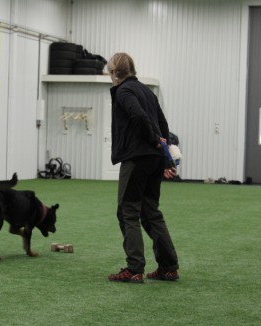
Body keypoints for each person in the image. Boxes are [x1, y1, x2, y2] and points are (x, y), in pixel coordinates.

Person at [106, 53, 179, 283]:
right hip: (154, 158)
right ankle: (168, 267)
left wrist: (154, 140)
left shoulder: (124, 91)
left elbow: (137, 115)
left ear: (114, 72)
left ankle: (134, 268)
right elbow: (163, 124)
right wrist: (164, 152)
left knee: (128, 211)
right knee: (151, 213)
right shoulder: (147, 91)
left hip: (137, 158)